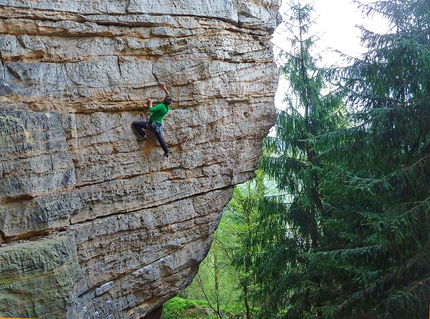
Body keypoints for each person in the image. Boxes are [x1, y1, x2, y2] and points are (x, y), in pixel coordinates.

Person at [132, 82, 172, 157]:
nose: (162, 97)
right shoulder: (167, 106)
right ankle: (166, 151)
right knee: (160, 139)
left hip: (152, 125)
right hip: (158, 125)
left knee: (135, 123)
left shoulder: (161, 106)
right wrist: (164, 88)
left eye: (163, 98)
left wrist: (150, 102)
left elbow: (151, 109)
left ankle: (143, 136)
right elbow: (168, 96)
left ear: (164, 101)